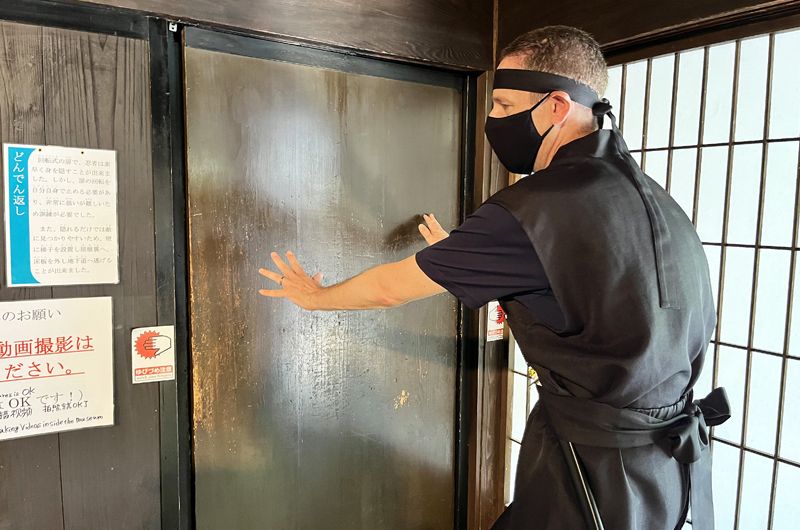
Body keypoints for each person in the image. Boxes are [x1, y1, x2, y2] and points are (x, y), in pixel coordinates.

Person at [258, 25, 730, 530]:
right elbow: (587, 297)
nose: (493, 120)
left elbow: (389, 289)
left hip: (593, 482)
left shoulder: (537, 209)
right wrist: (465, 257)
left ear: (556, 106)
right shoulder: (657, 202)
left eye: (504, 105)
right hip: (668, 478)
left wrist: (316, 296)